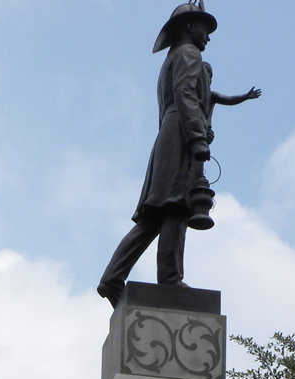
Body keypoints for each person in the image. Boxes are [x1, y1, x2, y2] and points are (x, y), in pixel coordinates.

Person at [97, 1, 260, 308]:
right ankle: (169, 280)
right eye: (204, 29)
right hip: (180, 134)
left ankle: (114, 277)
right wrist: (197, 139)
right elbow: (187, 97)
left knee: (159, 213)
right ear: (189, 26)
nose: (208, 37)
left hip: (172, 134)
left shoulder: (173, 58)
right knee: (174, 208)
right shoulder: (188, 54)